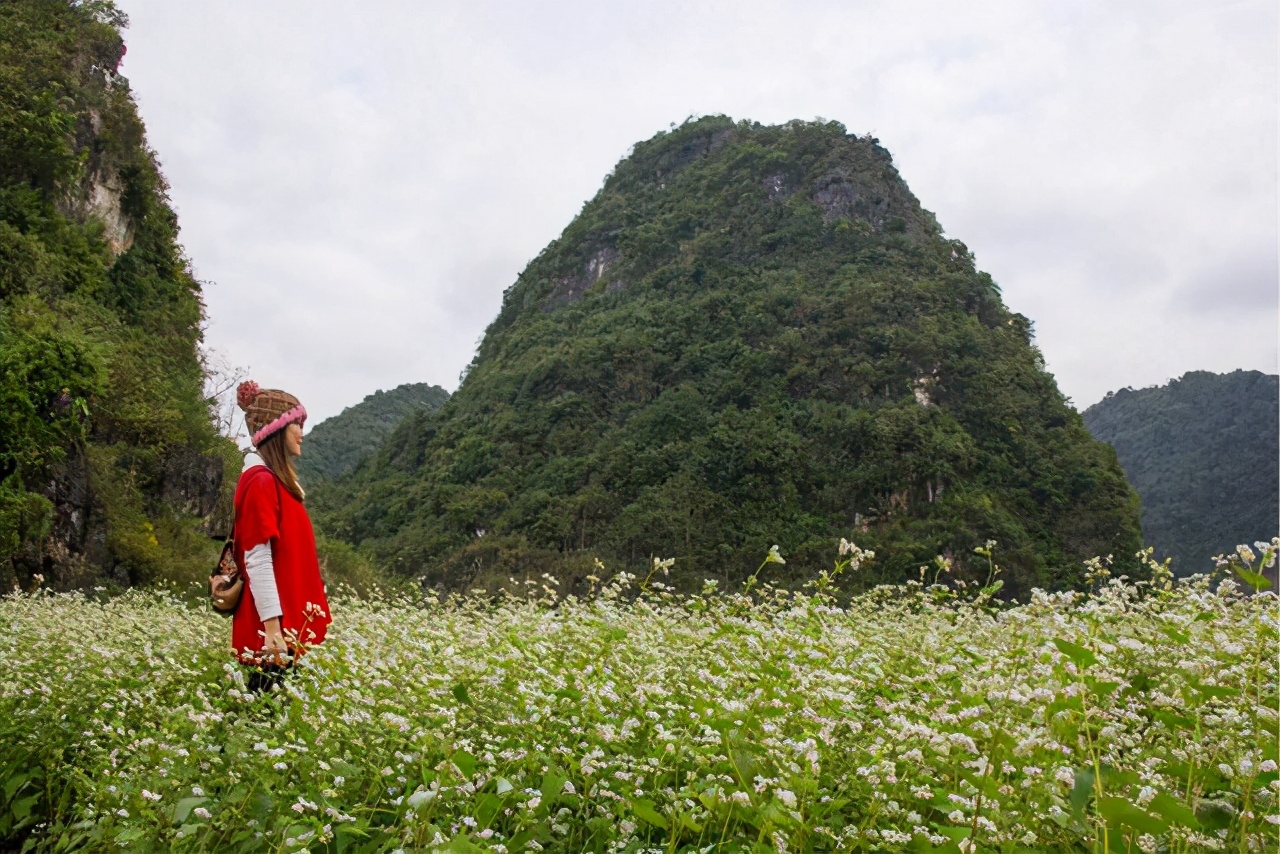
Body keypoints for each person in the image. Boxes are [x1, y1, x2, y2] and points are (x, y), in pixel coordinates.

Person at [232, 380, 331, 692]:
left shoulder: (278, 482)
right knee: (266, 715)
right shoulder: (261, 482)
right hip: (276, 631)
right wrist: (272, 629)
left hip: (288, 625)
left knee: (274, 718)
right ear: (276, 430)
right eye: (296, 424)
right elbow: (257, 558)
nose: (301, 432)